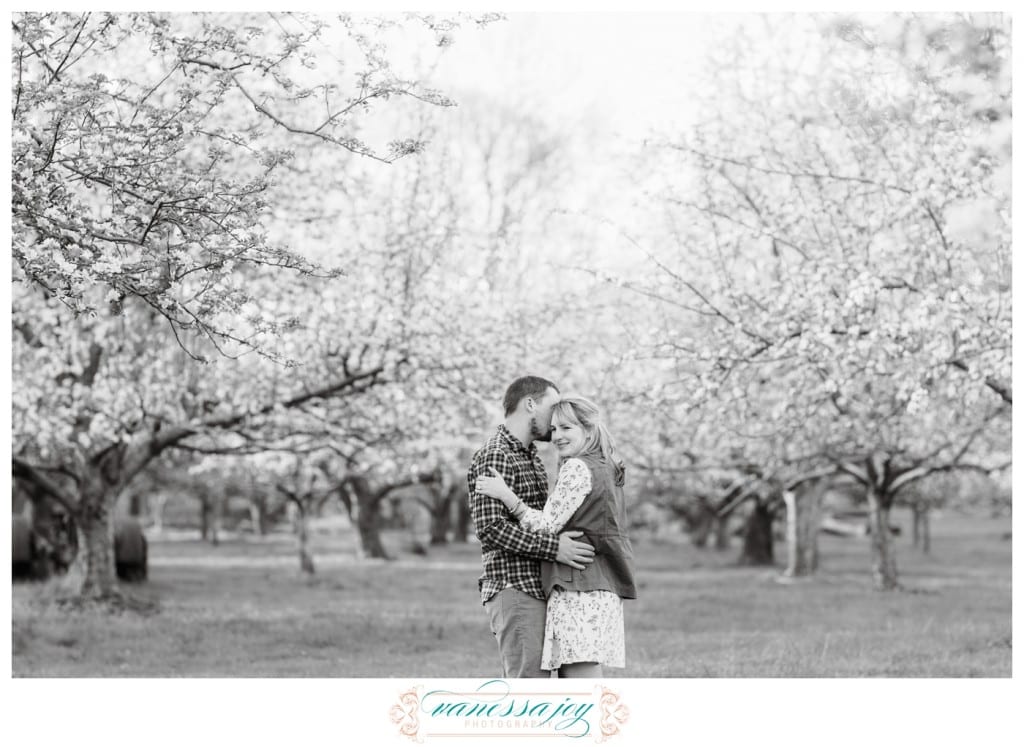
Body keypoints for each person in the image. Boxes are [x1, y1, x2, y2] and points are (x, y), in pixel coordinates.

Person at [476, 395, 636, 678]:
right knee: (581, 677)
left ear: (588, 429)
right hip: (600, 583)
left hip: (579, 586)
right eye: (554, 428)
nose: (556, 436)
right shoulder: (606, 465)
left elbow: (547, 524)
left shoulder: (577, 467)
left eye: (566, 428)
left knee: (578, 682)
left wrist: (508, 497)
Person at [468, 376, 597, 679]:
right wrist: (556, 549)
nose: (556, 419)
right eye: (552, 407)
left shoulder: (532, 457)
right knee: (529, 691)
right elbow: (491, 529)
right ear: (530, 404)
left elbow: (544, 518)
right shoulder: (495, 454)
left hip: (539, 586)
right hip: (514, 587)